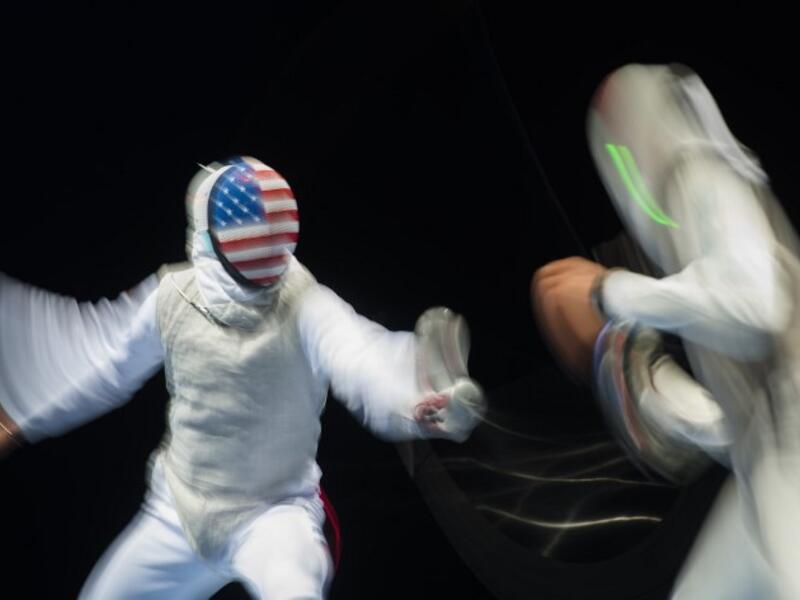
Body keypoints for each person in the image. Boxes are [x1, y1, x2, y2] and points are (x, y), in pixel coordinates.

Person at [0, 156, 486, 599]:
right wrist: (19, 414)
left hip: (273, 516)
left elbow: (363, 358)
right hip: (179, 511)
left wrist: (420, 397)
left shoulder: (306, 306)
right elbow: (104, 360)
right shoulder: (171, 297)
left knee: (293, 591)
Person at [532, 64, 800, 598]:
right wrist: (648, 386)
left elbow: (755, 308)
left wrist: (605, 291)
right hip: (768, 461)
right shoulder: (692, 236)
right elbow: (740, 426)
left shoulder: (699, 175)